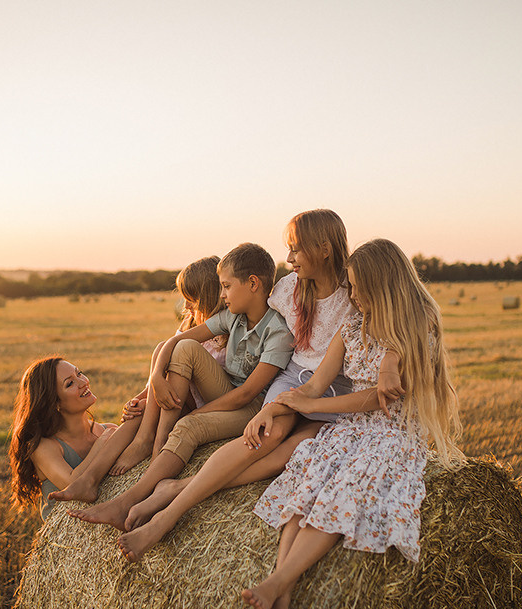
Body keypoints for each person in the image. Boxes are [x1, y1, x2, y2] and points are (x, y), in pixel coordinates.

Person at [115, 209, 402, 562]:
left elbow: (398, 319)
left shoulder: (354, 290)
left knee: (287, 454)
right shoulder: (287, 290)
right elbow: (241, 305)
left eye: (296, 249)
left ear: (325, 248)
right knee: (267, 436)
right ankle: (166, 517)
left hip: (334, 389)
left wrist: (391, 359)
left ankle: (178, 486)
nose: (289, 258)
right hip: (292, 379)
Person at [241, 238, 465, 609]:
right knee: (305, 488)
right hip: (349, 431)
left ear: (383, 286)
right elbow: (312, 388)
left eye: (359, 287)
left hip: (391, 435)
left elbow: (378, 401)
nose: (353, 295)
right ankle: (283, 594)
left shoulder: (420, 329)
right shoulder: (351, 327)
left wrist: (319, 405)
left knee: (344, 492)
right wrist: (273, 408)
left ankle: (277, 583)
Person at [53, 242, 294, 529]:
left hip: (252, 408)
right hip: (227, 389)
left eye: (227, 286)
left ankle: (127, 501)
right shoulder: (234, 317)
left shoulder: (277, 330)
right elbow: (174, 342)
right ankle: (157, 444)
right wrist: (155, 377)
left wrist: (194, 415)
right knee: (186, 349)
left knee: (188, 427)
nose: (222, 295)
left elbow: (246, 395)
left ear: (253, 283)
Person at [108, 256, 228, 476]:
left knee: (178, 350)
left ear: (209, 295)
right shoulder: (188, 323)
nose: (186, 306)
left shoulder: (227, 327)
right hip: (181, 399)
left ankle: (155, 444)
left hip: (211, 404)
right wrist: (141, 397)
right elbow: (164, 357)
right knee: (140, 410)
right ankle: (88, 475)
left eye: (192, 298)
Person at [8, 356, 143, 520]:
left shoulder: (109, 431)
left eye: (79, 373)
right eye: (70, 383)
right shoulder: (44, 447)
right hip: (69, 538)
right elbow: (74, 486)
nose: (83, 382)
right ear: (54, 403)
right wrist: (101, 445)